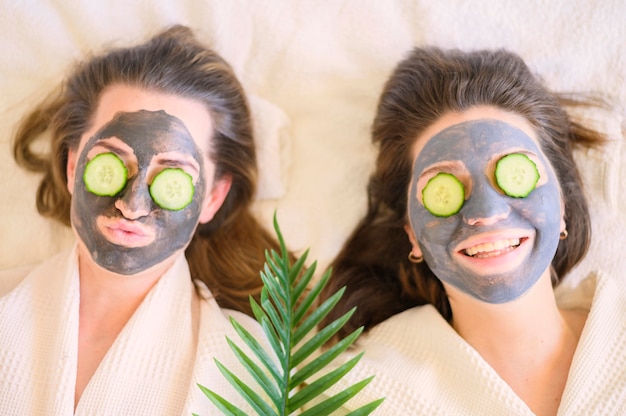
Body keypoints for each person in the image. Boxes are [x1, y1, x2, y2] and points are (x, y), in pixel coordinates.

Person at [320, 47, 625, 415]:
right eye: (443, 188)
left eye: (513, 174)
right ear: (412, 234)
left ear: (562, 205)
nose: (486, 212)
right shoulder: (360, 392)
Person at [0, 25, 283, 415]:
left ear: (212, 198)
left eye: (173, 177)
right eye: (112, 163)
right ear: (71, 166)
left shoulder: (258, 374)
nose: (132, 206)